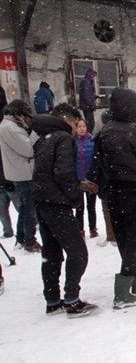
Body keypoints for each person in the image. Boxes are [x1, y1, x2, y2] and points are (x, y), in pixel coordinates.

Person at [92, 88, 136, 309]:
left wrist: (103, 192)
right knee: (135, 238)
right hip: (133, 192)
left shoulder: (105, 131)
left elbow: (97, 167)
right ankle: (122, 293)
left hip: (113, 194)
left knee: (124, 238)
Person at [30, 103, 100, 318]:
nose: (74, 129)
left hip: (42, 201)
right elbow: (62, 173)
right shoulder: (62, 138)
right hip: (57, 204)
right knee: (78, 253)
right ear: (67, 120)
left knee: (51, 253)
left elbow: (49, 173)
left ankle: (52, 300)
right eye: (73, 124)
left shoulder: (43, 138)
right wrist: (74, 198)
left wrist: (77, 184)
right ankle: (72, 300)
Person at [0, 100, 41, 253]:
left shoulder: (9, 126)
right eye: (24, 116)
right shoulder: (10, 128)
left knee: (25, 207)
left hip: (19, 171)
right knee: (29, 208)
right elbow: (28, 149)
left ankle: (22, 237)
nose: (25, 119)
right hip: (23, 172)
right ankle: (30, 241)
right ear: (18, 114)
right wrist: (36, 133)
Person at [88, 109, 117, 247]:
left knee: (107, 208)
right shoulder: (120, 135)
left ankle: (113, 235)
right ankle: (113, 235)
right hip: (113, 178)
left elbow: (96, 160)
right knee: (109, 207)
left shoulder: (100, 137)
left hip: (107, 178)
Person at [74, 119, 98, 239]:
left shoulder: (92, 140)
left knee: (91, 206)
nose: (82, 128)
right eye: (79, 126)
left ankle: (93, 228)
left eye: (84, 126)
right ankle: (80, 229)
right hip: (78, 179)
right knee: (79, 207)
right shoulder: (72, 142)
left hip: (90, 178)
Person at [0, 146, 20, 239]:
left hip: (10, 184)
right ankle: (7, 232)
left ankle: (27, 229)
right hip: (4, 185)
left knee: (21, 208)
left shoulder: (5, 150)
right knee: (2, 212)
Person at [78, 69, 97, 133]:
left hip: (87, 105)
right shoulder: (86, 83)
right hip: (87, 106)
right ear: (90, 75)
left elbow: (88, 95)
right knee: (90, 123)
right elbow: (87, 96)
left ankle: (88, 136)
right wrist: (91, 104)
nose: (94, 78)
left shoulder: (87, 83)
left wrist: (95, 97)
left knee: (90, 123)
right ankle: (88, 136)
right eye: (94, 76)